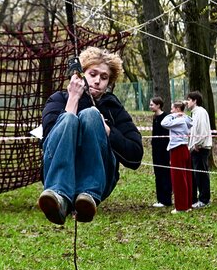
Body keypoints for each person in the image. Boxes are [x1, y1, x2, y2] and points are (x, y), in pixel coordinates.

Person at [38, 47, 143, 224]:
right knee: (70, 119)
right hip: (56, 171)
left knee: (90, 115)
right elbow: (49, 140)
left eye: (104, 77)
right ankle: (59, 196)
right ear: (81, 74)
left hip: (101, 177)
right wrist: (72, 100)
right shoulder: (58, 99)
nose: (97, 81)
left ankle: (88, 196)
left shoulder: (113, 107)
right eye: (93, 74)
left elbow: (135, 154)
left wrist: (108, 131)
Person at [161, 101, 193, 214]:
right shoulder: (185, 119)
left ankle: (181, 206)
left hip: (178, 149)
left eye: (172, 109)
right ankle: (187, 204)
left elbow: (164, 123)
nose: (171, 111)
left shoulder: (179, 120)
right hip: (184, 148)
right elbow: (191, 121)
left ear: (178, 109)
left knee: (178, 179)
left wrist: (174, 115)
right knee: (186, 177)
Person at [186, 91, 212, 208]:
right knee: (197, 174)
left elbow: (202, 129)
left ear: (195, 101)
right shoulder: (194, 113)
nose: (187, 102)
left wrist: (197, 143)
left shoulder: (200, 112)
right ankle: (199, 198)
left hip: (200, 148)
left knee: (201, 174)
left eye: (189, 100)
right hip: (195, 148)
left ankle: (204, 200)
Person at [149, 96, 172, 208]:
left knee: (165, 173)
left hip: (164, 150)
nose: (150, 106)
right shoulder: (154, 117)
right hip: (156, 150)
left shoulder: (166, 117)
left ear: (158, 105)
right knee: (158, 173)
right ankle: (160, 198)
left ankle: (166, 199)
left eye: (152, 104)